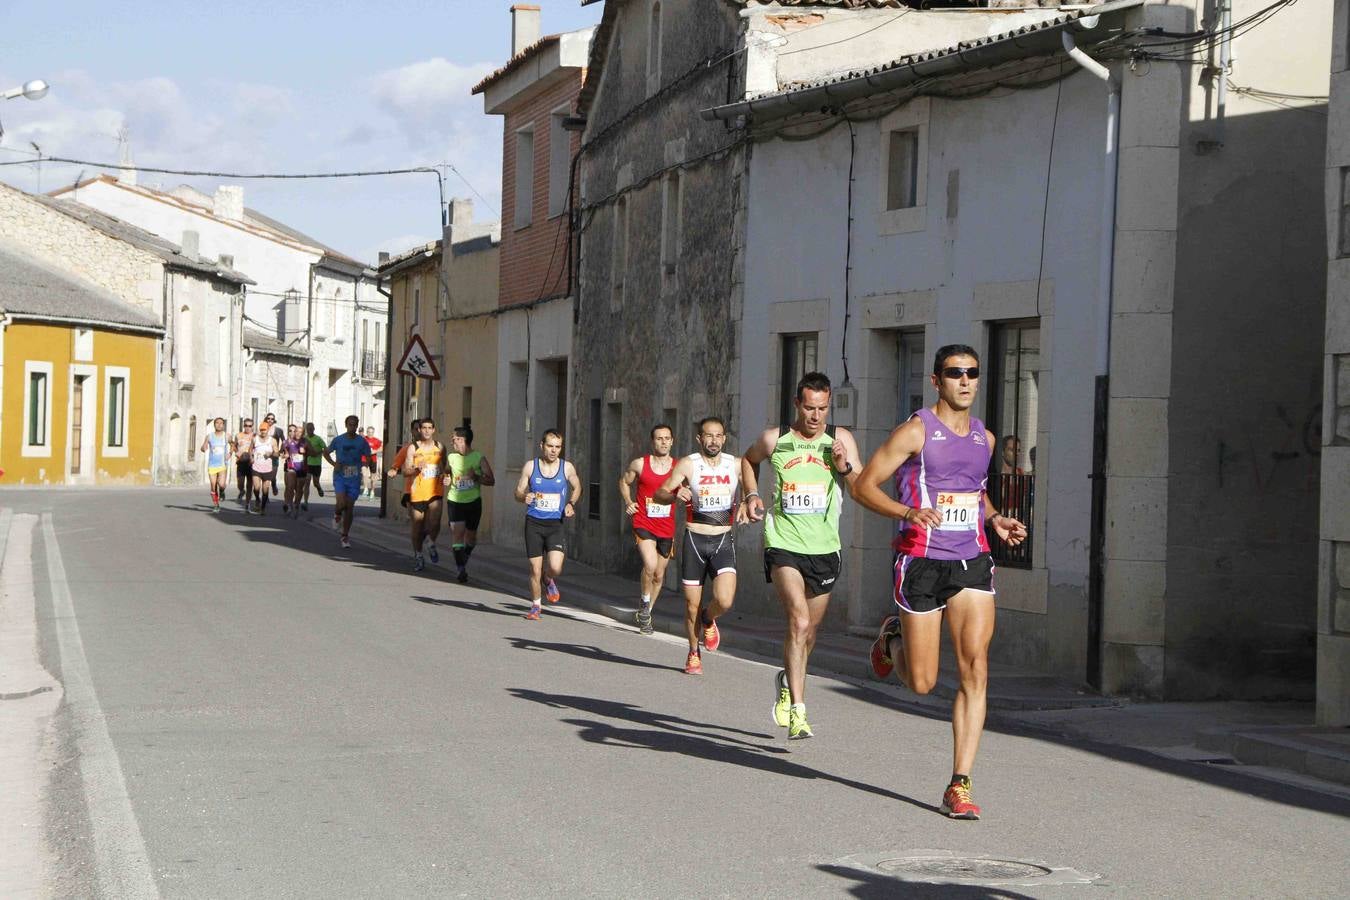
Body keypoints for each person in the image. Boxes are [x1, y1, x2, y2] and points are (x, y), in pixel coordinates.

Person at [851, 344, 1027, 821]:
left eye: (972, 372)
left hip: (971, 558)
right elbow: (863, 485)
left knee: (975, 669)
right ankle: (893, 640)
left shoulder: (985, 440)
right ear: (936, 381)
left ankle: (960, 783)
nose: (965, 381)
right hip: (922, 561)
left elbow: (974, 492)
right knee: (924, 682)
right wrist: (907, 511)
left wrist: (994, 520)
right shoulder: (914, 432)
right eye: (955, 373)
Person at [742, 372, 861, 740]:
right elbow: (747, 461)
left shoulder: (840, 439)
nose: (815, 416)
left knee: (809, 634)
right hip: (784, 544)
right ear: (797, 404)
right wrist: (751, 495)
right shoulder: (775, 439)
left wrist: (843, 466)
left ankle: (786, 680)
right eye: (809, 408)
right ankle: (798, 711)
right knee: (798, 622)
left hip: (824, 549)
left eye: (822, 409)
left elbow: (859, 488)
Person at [653, 417, 745, 676]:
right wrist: (674, 494)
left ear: (724, 438)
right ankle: (694, 652)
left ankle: (709, 618)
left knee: (725, 600)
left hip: (722, 539)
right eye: (708, 436)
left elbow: (751, 484)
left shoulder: (735, 464)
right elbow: (659, 493)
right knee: (690, 605)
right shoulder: (688, 464)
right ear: (699, 439)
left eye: (718, 436)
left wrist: (749, 501)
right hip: (695, 539)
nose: (713, 440)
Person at [513, 429, 582, 621]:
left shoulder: (566, 468)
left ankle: (548, 578)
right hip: (534, 523)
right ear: (541, 446)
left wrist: (571, 503)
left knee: (555, 567)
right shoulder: (530, 467)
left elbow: (577, 486)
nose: (553, 450)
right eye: (550, 446)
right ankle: (536, 605)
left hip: (555, 525)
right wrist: (523, 497)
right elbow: (518, 492)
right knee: (534, 569)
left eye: (558, 447)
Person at [619, 424, 676, 634]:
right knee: (650, 565)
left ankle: (646, 613)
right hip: (644, 522)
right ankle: (644, 601)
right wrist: (628, 501)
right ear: (652, 442)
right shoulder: (640, 464)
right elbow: (624, 482)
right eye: (659, 438)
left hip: (666, 527)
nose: (663, 442)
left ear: (672, 441)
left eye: (667, 438)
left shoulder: (678, 468)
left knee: (660, 575)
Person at [444, 426, 495, 583]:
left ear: (462, 440)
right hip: (455, 501)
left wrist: (477, 478)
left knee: (471, 538)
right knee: (457, 534)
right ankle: (461, 569)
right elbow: (446, 472)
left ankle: (464, 556)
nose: (452, 441)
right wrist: (446, 478)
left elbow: (491, 480)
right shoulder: (451, 457)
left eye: (455, 438)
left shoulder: (479, 457)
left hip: (473, 502)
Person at [401, 418, 448, 571]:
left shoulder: (440, 446)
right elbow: (405, 471)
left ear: (434, 430)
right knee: (417, 527)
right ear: (419, 430)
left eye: (430, 428)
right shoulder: (413, 448)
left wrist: (446, 476)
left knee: (435, 522)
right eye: (424, 428)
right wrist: (416, 469)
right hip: (417, 493)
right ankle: (418, 555)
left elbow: (444, 467)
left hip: (435, 491)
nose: (427, 431)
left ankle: (431, 543)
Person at [323, 415, 374, 549]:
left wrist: (366, 464)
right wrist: (334, 464)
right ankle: (337, 514)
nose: (352, 427)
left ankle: (345, 536)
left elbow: (368, 456)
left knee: (350, 507)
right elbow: (326, 452)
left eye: (354, 425)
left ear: (357, 426)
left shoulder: (362, 441)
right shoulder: (338, 440)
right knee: (341, 503)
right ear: (346, 425)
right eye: (350, 425)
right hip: (340, 475)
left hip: (354, 477)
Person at [201, 417, 233, 513]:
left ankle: (222, 491)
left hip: (222, 464)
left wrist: (230, 453)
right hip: (212, 465)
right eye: (217, 423)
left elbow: (233, 445)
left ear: (223, 425)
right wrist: (204, 447)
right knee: (213, 485)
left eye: (221, 423)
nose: (219, 425)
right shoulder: (209, 436)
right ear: (214, 425)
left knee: (221, 484)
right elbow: (203, 447)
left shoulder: (226, 436)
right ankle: (216, 505)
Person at [248, 424, 279, 514]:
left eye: (264, 430)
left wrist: (271, 454)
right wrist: (251, 458)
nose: (263, 431)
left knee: (265, 489)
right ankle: (257, 499)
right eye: (261, 430)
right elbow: (250, 450)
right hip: (256, 467)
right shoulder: (255, 439)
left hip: (267, 468)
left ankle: (263, 508)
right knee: (257, 487)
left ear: (268, 430)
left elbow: (277, 454)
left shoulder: (272, 441)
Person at [281, 424, 310, 519]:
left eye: (300, 432)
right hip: (291, 468)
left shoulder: (305, 442)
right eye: (296, 431)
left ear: (303, 434)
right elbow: (285, 452)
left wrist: (305, 451)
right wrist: (285, 455)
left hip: (302, 468)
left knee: (299, 489)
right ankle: (289, 505)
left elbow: (313, 452)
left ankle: (296, 504)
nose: (297, 433)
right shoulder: (288, 442)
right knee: (290, 487)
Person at [301, 422, 327, 506]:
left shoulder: (318, 439)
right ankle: (305, 502)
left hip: (316, 464)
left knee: (316, 482)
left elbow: (325, 448)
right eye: (308, 429)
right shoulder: (304, 439)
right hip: (308, 464)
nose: (309, 431)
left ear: (314, 429)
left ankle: (319, 488)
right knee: (307, 481)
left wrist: (317, 452)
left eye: (311, 429)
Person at [261, 413, 284, 497]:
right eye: (268, 418)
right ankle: (265, 496)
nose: (270, 420)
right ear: (266, 419)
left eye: (272, 419)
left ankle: (274, 484)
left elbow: (284, 441)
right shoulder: (262, 428)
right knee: (265, 478)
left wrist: (281, 451)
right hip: (264, 456)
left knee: (272, 476)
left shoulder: (278, 430)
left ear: (274, 420)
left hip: (274, 455)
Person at [234, 418, 255, 503]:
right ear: (243, 426)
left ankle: (247, 503)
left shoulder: (255, 436)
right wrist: (236, 452)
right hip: (241, 461)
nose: (247, 427)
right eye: (246, 425)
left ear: (252, 427)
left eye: (249, 426)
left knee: (250, 484)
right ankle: (242, 490)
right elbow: (234, 445)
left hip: (251, 462)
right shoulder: (238, 435)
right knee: (240, 483)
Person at [363, 427, 384, 499]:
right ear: (367, 432)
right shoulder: (363, 439)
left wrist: (374, 451)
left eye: (371, 432)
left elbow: (382, 447)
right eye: (368, 432)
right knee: (364, 473)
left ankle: (372, 490)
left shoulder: (376, 440)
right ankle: (365, 488)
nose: (370, 434)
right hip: (364, 459)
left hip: (373, 460)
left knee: (373, 477)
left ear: (373, 433)